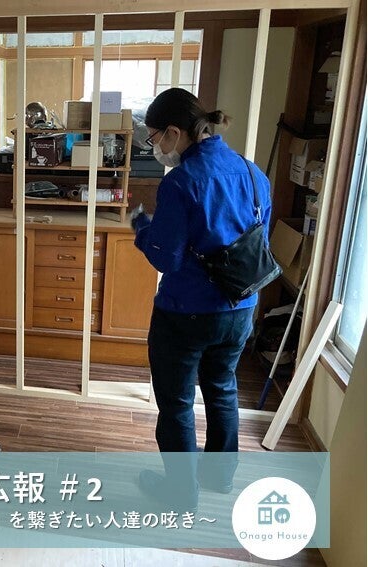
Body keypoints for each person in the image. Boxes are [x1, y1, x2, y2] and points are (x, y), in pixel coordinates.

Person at [130, 88, 272, 509]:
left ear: (175, 132)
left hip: (186, 312)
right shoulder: (252, 172)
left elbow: (166, 258)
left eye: (154, 137)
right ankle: (220, 477)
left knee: (176, 403)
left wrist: (142, 228)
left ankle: (180, 493)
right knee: (222, 388)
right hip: (241, 308)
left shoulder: (181, 182)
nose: (155, 146)